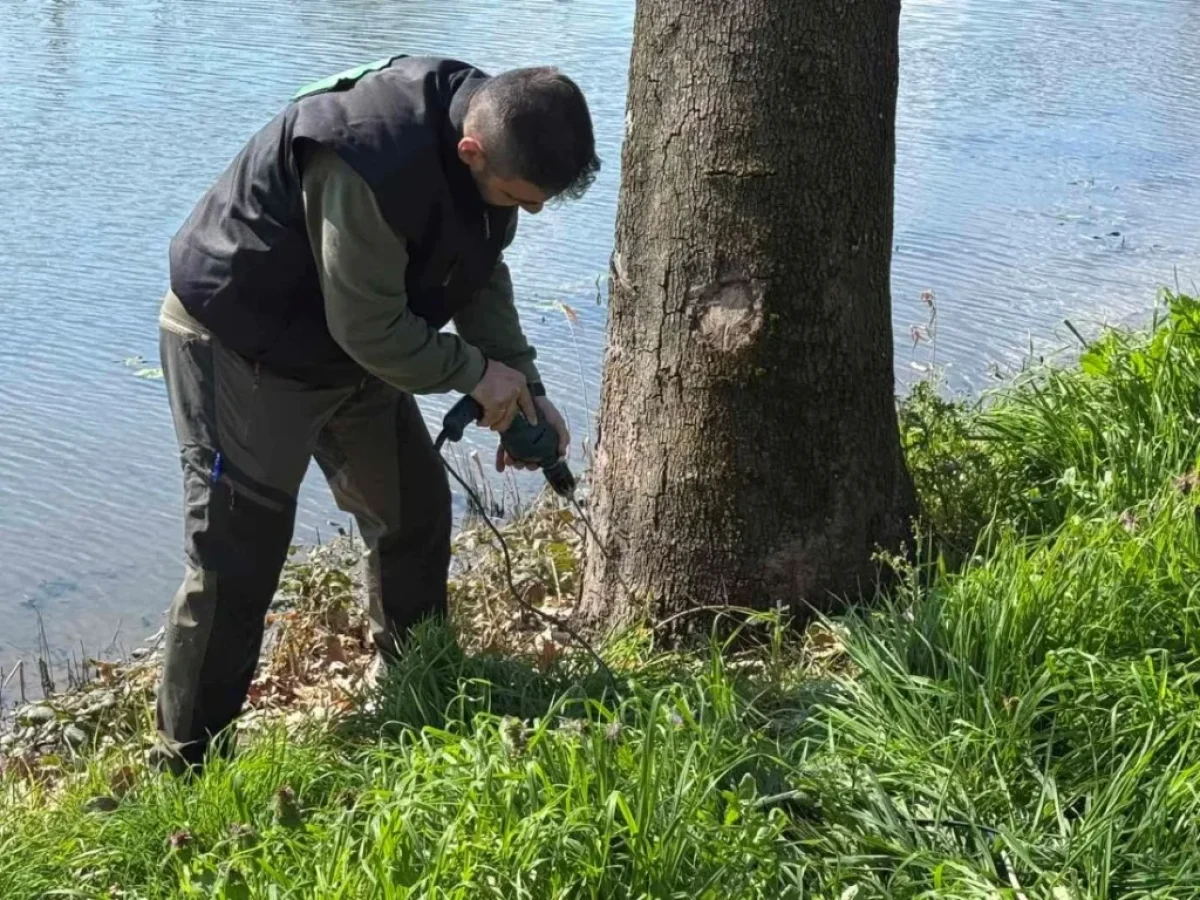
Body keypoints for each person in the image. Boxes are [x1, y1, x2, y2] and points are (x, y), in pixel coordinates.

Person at [151, 54, 599, 773]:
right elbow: (371, 331)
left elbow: (479, 270)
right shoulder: (365, 158)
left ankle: (415, 692)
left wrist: (523, 385)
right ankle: (186, 766)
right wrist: (475, 374)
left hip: (350, 346)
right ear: (470, 151)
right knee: (238, 559)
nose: (531, 213)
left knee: (414, 514)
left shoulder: (497, 123)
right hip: (243, 345)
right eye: (522, 198)